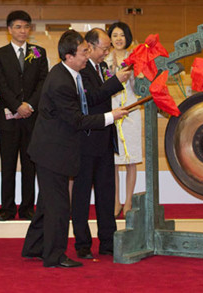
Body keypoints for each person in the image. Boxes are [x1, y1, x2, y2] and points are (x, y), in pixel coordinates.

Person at [21, 30, 129, 268]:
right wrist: (111, 116)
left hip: (53, 150)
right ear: (69, 56)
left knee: (48, 204)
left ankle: (33, 247)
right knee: (59, 206)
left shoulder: (68, 74)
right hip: (52, 152)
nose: (86, 56)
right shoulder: (61, 81)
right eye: (83, 52)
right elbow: (77, 120)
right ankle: (54, 256)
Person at [71, 28, 132, 259]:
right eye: (103, 48)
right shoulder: (81, 69)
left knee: (107, 195)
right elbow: (91, 98)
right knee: (82, 195)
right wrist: (116, 82)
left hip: (106, 140)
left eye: (108, 49)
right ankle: (83, 244)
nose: (106, 53)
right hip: (86, 141)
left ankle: (108, 242)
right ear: (90, 46)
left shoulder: (104, 68)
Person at [0, 10, 48, 221]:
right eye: (18, 27)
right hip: (8, 118)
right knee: (7, 165)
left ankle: (27, 208)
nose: (22, 31)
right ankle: (6, 209)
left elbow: (43, 82)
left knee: (29, 165)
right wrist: (17, 106)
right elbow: (0, 84)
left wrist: (30, 105)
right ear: (9, 30)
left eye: (26, 26)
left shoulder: (39, 52)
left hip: (32, 119)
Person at [105, 22, 143, 217]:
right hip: (111, 111)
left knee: (131, 161)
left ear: (127, 37)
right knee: (113, 161)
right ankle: (115, 202)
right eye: (114, 35)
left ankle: (128, 201)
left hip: (132, 111)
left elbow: (141, 88)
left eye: (122, 35)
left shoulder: (136, 59)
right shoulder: (104, 60)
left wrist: (138, 74)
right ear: (110, 39)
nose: (118, 39)